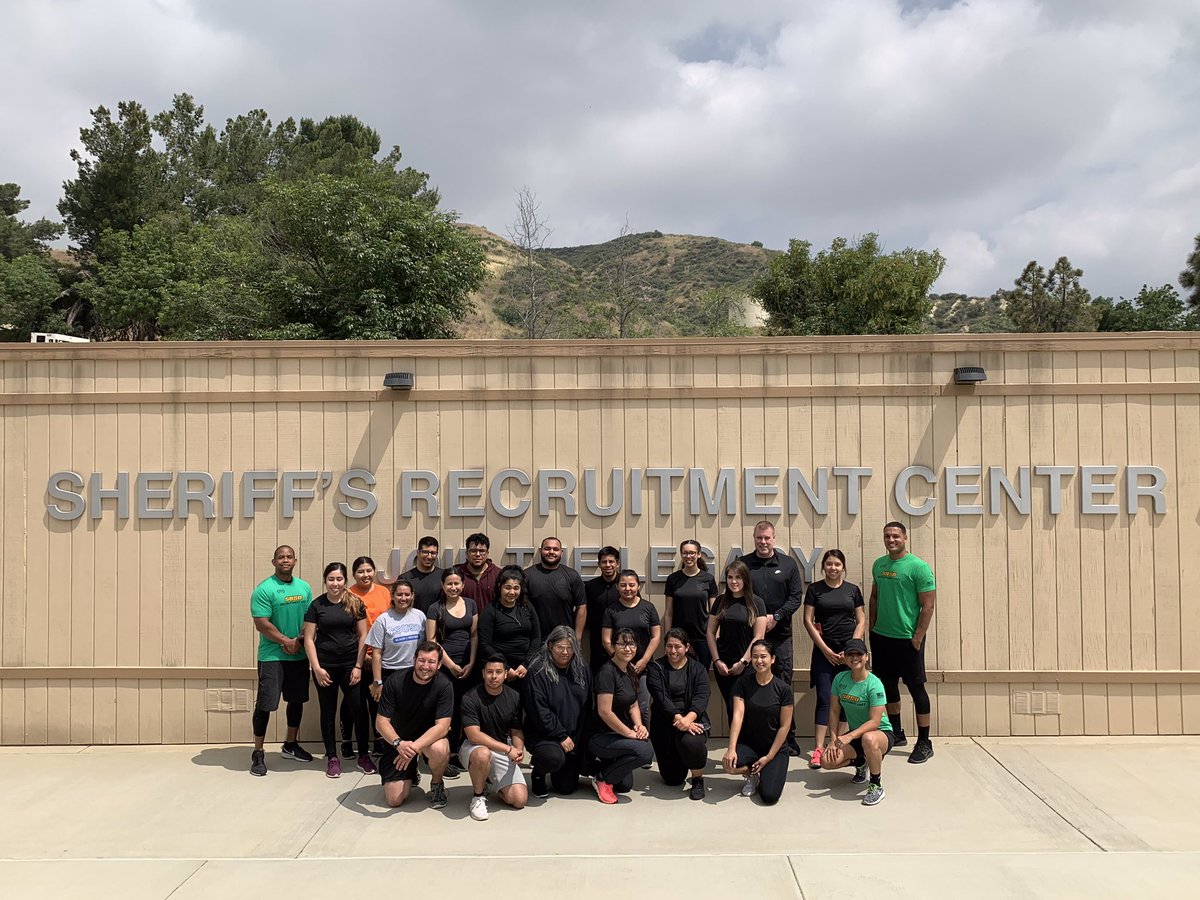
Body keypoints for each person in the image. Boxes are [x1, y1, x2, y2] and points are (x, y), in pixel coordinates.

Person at [870, 521, 937, 764]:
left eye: (896, 536)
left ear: (905, 538)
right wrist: (872, 629)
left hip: (908, 640)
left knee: (916, 689)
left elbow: (928, 605)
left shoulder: (918, 567)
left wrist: (917, 637)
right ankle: (896, 733)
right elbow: (875, 597)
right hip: (882, 638)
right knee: (888, 687)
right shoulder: (879, 564)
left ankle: (925, 742)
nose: (891, 540)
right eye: (887, 536)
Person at [302, 562, 375, 778]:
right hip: (325, 667)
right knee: (328, 711)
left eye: (339, 579)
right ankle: (332, 758)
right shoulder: (316, 605)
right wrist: (316, 668)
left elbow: (363, 635)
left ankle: (363, 755)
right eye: (331, 579)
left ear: (345, 580)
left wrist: (358, 666)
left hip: (351, 666)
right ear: (325, 581)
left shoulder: (355, 603)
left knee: (359, 710)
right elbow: (309, 639)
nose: (335, 583)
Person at [739, 521, 804, 756]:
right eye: (759, 538)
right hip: (752, 637)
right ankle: (754, 739)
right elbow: (737, 594)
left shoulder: (788, 564)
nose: (763, 542)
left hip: (780, 637)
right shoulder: (744, 564)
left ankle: (788, 738)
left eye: (767, 538)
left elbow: (796, 597)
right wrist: (758, 618)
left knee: (783, 685)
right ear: (754, 538)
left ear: (774, 538)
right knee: (752, 685)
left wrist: (776, 616)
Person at [249, 545, 314, 776]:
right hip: (272, 656)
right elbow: (262, 623)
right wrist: (286, 641)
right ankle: (258, 752)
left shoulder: (304, 587)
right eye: (280, 557)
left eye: (289, 557)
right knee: (265, 704)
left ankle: (290, 744)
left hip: (298, 653)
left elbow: (310, 619)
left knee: (296, 701)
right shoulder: (264, 589)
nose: (285, 560)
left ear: (295, 561)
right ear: (274, 562)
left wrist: (299, 640)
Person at [802, 549, 866, 769]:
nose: (833, 568)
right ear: (823, 567)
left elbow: (861, 620)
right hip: (824, 654)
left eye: (837, 564)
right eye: (829, 564)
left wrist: (851, 650)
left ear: (843, 567)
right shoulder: (814, 589)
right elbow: (808, 621)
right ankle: (819, 749)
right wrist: (826, 650)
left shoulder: (852, 590)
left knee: (846, 699)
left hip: (849, 655)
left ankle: (838, 744)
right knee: (824, 698)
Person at [375, 640, 454, 809]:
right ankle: (410, 773)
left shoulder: (444, 685)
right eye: (421, 660)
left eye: (431, 662)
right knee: (394, 799)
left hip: (428, 740)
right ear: (414, 660)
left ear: (439, 665)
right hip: (399, 741)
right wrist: (398, 743)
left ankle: (437, 784)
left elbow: (442, 727)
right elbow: (381, 722)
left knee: (440, 749)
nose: (425, 666)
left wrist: (413, 748)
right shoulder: (395, 681)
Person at [819, 638, 895, 806]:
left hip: (880, 734)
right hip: (857, 735)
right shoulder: (840, 679)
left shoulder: (874, 684)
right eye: (850, 654)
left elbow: (875, 722)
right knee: (826, 761)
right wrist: (833, 740)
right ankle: (861, 762)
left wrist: (849, 736)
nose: (855, 657)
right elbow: (834, 711)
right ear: (845, 658)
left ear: (867, 657)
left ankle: (876, 784)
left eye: (859, 654)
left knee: (869, 738)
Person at [523, 626, 593, 798]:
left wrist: (579, 738)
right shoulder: (537, 671)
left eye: (570, 647)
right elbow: (539, 711)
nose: (565, 652)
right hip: (545, 734)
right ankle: (538, 773)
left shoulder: (582, 668)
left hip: (573, 736)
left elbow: (587, 705)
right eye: (560, 647)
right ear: (550, 646)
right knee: (553, 759)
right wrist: (561, 736)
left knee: (566, 787)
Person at [722, 639, 793, 805]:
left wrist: (769, 757)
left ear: (772, 659)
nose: (759, 661)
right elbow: (738, 716)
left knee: (769, 796)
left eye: (763, 656)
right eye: (755, 657)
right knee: (729, 764)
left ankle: (766, 770)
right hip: (750, 745)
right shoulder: (743, 683)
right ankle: (752, 774)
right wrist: (731, 748)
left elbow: (785, 726)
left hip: (774, 748)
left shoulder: (783, 689)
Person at [365, 579, 429, 766]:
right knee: (392, 719)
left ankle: (416, 756)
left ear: (412, 596)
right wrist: (378, 681)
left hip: (415, 674)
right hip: (390, 674)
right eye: (399, 594)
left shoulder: (420, 616)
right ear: (392, 596)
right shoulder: (384, 619)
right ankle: (393, 758)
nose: (403, 598)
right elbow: (376, 653)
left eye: (407, 594)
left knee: (414, 715)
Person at [588, 628, 654, 804]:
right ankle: (602, 778)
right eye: (622, 644)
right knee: (645, 752)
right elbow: (605, 712)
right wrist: (629, 733)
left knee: (624, 785)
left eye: (631, 644)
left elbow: (633, 704)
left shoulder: (630, 669)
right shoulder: (607, 673)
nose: (628, 649)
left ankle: (605, 769)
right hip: (602, 736)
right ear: (613, 646)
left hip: (619, 735)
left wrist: (639, 725)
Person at [459, 654, 529, 820]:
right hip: (473, 747)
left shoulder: (514, 697)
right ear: (483, 673)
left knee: (519, 800)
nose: (494, 676)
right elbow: (474, 735)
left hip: (502, 747)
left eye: (498, 672)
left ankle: (489, 779)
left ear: (505, 674)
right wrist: (508, 749)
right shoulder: (470, 697)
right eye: (490, 672)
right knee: (482, 754)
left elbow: (516, 730)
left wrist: (518, 749)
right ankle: (478, 797)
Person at [646, 628, 710, 800]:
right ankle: (680, 757)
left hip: (692, 720)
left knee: (692, 743)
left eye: (678, 646)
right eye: (669, 646)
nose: (673, 651)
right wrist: (679, 719)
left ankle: (697, 779)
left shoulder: (698, 669)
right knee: (673, 779)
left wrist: (688, 719)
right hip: (665, 723)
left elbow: (702, 697)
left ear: (687, 647)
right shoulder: (656, 668)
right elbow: (662, 699)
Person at [426, 568, 478, 777]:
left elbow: (474, 635)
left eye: (457, 583)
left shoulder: (471, 604)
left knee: (464, 709)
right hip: (445, 669)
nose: (453, 587)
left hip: (468, 667)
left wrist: (471, 662)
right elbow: (432, 640)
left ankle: (458, 752)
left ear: (463, 585)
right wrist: (450, 665)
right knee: (446, 711)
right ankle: (442, 754)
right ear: (442, 585)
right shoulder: (434, 608)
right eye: (449, 583)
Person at [705, 560, 767, 726]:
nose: (733, 581)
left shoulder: (756, 602)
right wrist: (717, 661)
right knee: (731, 707)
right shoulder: (720, 601)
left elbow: (759, 636)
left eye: (738, 577)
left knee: (747, 707)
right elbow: (710, 633)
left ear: (745, 579)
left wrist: (743, 662)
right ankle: (735, 741)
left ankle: (748, 740)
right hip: (724, 665)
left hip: (748, 665)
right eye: (730, 577)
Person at [344, 555, 392, 757]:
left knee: (376, 700)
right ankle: (347, 741)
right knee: (352, 701)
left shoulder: (384, 592)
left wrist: (376, 658)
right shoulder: (348, 594)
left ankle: (379, 740)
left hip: (379, 657)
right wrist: (362, 658)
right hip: (355, 657)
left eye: (369, 570)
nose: (365, 575)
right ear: (353, 574)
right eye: (360, 571)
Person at [478, 566, 542, 682]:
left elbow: (536, 637)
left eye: (516, 588)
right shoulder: (490, 611)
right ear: (500, 587)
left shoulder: (527, 606)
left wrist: (526, 664)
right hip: (500, 670)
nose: (512, 592)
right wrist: (506, 668)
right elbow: (485, 645)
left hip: (527, 666)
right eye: (507, 588)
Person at [663, 540, 717, 670]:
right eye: (685, 553)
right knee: (679, 674)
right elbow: (668, 613)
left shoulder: (708, 579)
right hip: (678, 638)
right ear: (681, 554)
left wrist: (715, 636)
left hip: (702, 637)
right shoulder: (673, 579)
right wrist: (668, 639)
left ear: (699, 554)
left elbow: (714, 613)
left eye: (692, 553)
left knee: (701, 674)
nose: (688, 556)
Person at [524, 537, 586, 640]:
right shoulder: (527, 575)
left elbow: (582, 607)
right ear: (540, 551)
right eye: (547, 548)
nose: (551, 552)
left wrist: (577, 638)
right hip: (536, 639)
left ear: (561, 552)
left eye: (555, 549)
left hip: (564, 639)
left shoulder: (572, 575)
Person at [583, 546, 621, 673]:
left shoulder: (625, 585)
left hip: (622, 639)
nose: (608, 565)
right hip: (597, 641)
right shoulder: (590, 586)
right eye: (604, 562)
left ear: (617, 564)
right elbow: (584, 611)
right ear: (599, 564)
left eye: (611, 561)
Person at [456, 532, 502, 612]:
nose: (478, 554)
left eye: (482, 551)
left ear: (487, 553)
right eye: (473, 551)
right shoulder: (457, 574)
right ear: (466, 553)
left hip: (492, 620)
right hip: (464, 619)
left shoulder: (498, 574)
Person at [401, 535, 444, 613]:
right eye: (425, 552)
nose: (429, 557)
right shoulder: (404, 579)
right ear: (418, 553)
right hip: (413, 620)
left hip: (438, 620)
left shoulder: (444, 576)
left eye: (433, 553)